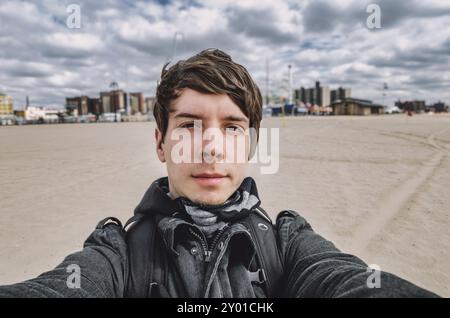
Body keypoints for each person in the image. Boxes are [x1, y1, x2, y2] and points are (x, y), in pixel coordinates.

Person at [0, 49, 438, 298]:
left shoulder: (285, 243)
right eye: (189, 125)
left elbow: (343, 278)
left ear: (249, 143)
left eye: (231, 127)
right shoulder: (118, 252)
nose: (210, 145)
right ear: (159, 142)